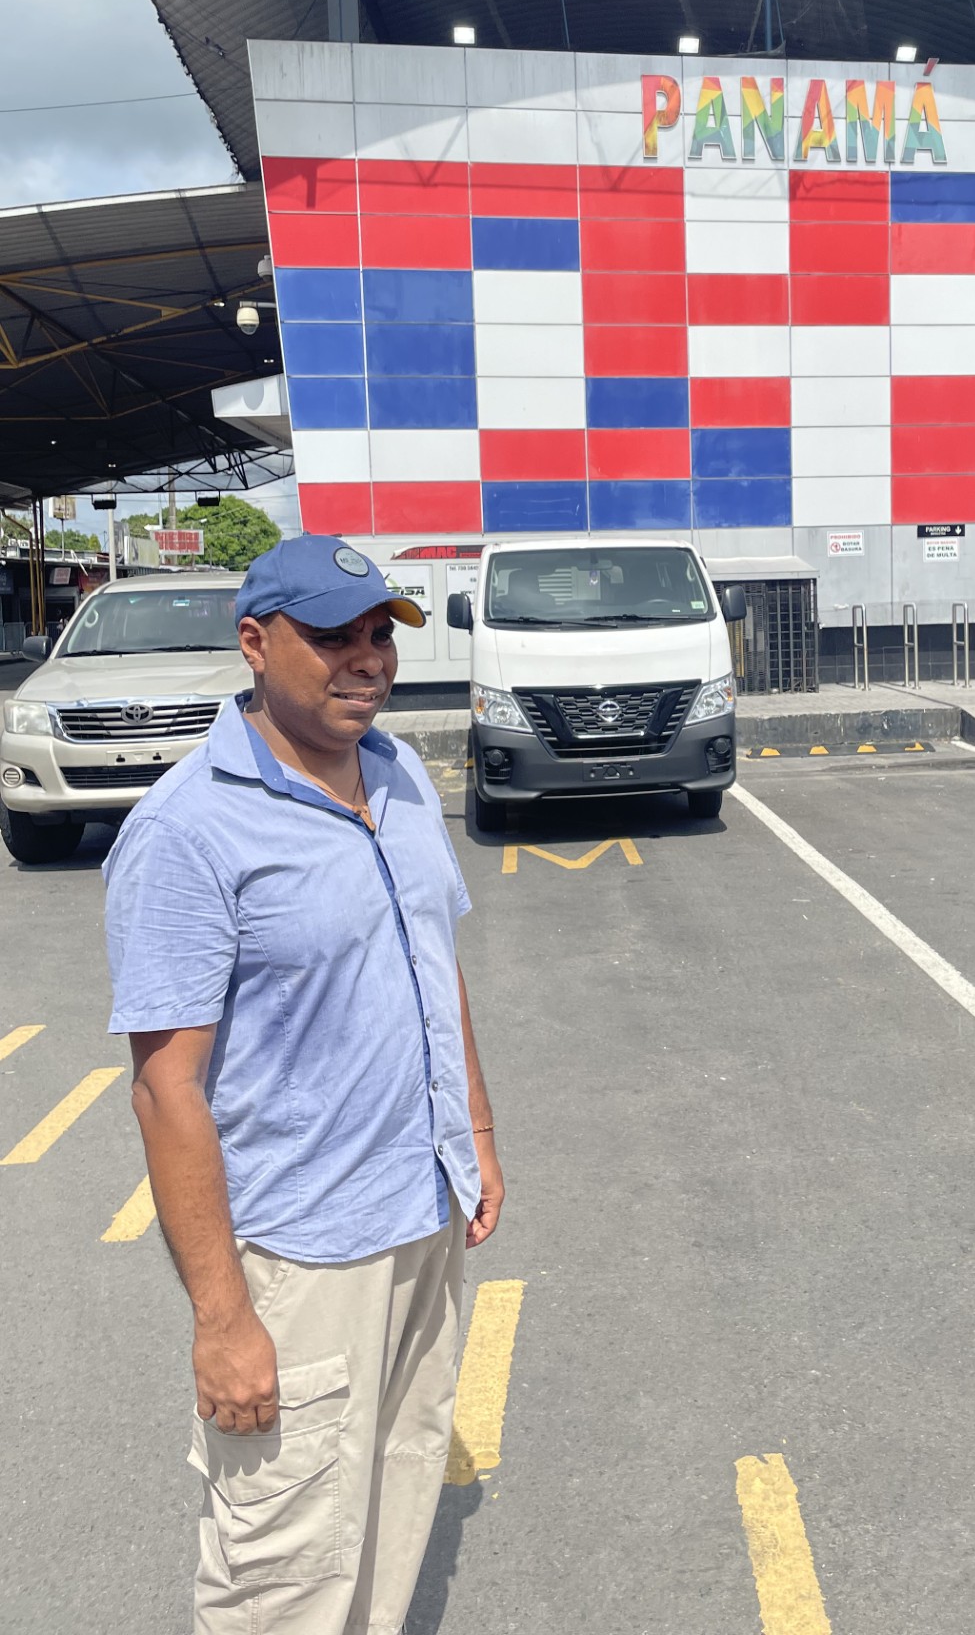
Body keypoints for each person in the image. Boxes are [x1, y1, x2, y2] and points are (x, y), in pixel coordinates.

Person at [103, 534, 504, 1635]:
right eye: (332, 636)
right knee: (282, 1571)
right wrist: (223, 1320)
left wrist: (471, 1127)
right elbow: (165, 1088)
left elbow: (434, 956)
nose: (365, 659)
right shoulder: (188, 832)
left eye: (380, 634)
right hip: (299, 1258)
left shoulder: (399, 771)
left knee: (392, 1506)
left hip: (420, 1216)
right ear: (255, 644)